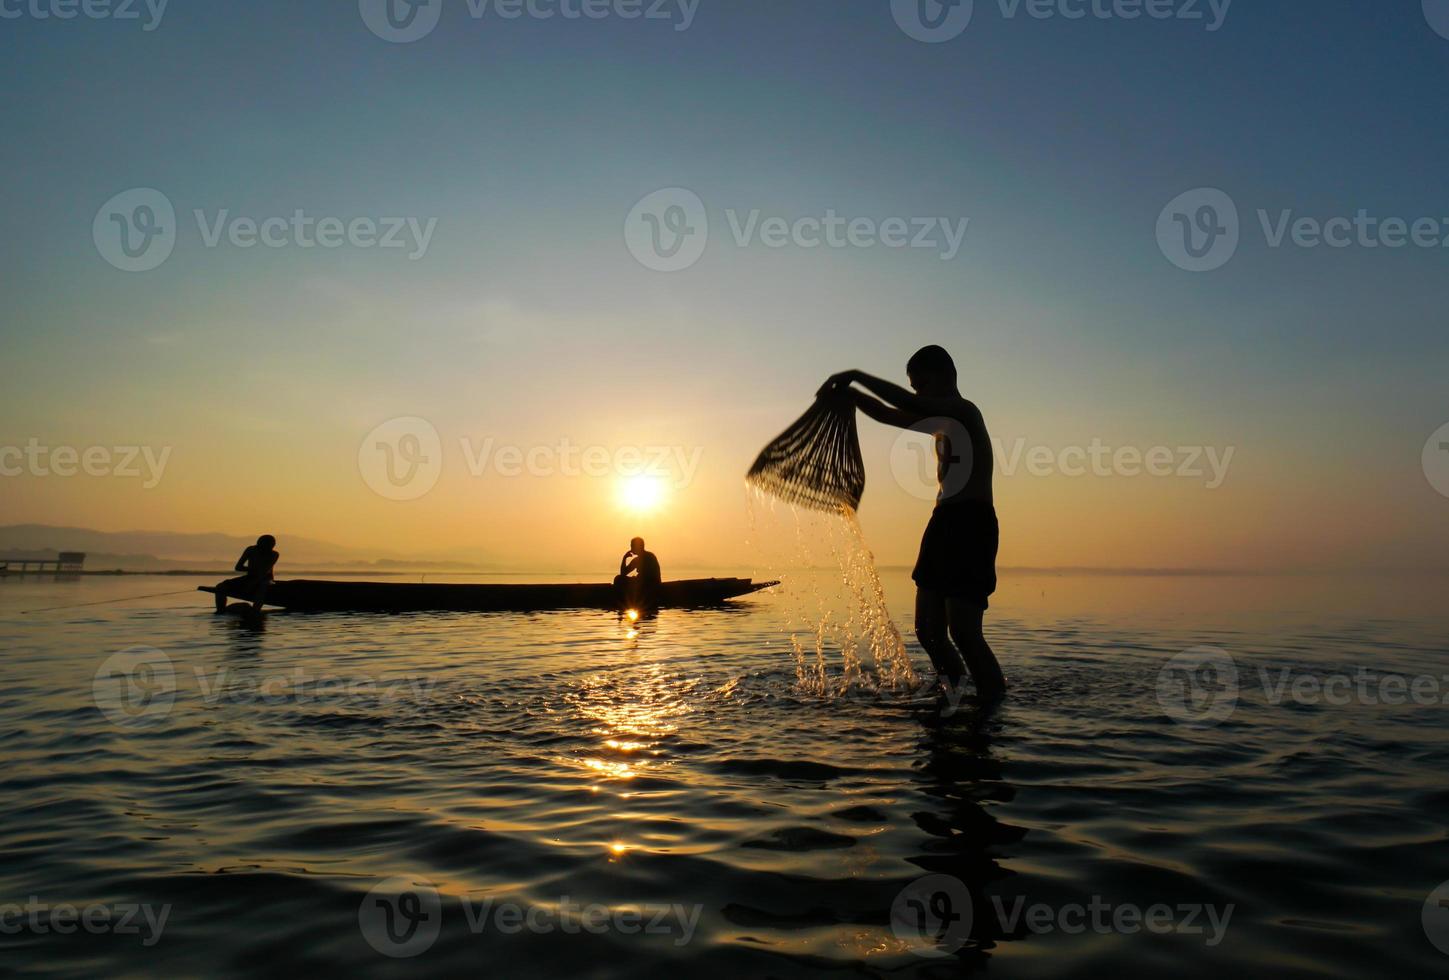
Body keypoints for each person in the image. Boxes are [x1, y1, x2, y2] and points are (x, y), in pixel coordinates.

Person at [819, 346, 1006, 700]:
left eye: (921, 385)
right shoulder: (940, 422)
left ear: (944, 374)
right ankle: (954, 692)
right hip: (942, 522)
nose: (918, 394)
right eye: (915, 387)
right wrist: (850, 398)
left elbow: (909, 404)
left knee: (964, 632)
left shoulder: (963, 411)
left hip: (972, 525)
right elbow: (890, 414)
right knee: (928, 630)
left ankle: (993, 706)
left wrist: (855, 376)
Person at [215, 535, 279, 613]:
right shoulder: (251, 550)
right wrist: (251, 571)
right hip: (250, 577)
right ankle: (220, 610)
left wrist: (252, 583)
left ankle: (255, 611)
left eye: (271, 545)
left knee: (263, 586)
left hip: (267, 579)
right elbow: (238, 567)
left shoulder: (274, 554)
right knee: (220, 586)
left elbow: (264, 572)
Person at [614, 536, 662, 609]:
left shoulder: (650, 557)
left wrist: (635, 579)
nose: (631, 548)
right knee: (618, 578)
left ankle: (621, 600)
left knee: (618, 579)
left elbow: (649, 576)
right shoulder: (637, 560)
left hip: (650, 585)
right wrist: (624, 558)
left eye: (632, 546)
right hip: (644, 584)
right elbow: (623, 573)